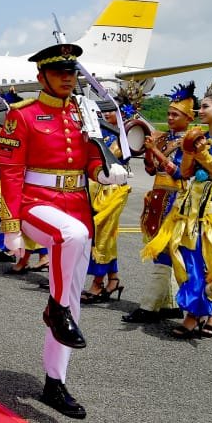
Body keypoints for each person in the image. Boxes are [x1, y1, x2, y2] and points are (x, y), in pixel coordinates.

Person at [0, 43, 128, 419]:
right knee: (71, 239)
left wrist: (102, 171)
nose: (67, 78)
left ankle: (56, 381)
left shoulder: (81, 112)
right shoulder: (22, 115)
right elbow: (10, 170)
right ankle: (56, 309)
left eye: (71, 72)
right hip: (36, 202)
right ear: (42, 77)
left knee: (72, 292)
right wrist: (10, 225)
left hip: (76, 205)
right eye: (59, 72)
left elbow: (86, 158)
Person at [145, 71, 212, 338]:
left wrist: (203, 153)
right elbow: (185, 173)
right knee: (188, 261)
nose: (200, 110)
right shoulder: (197, 137)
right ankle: (196, 313)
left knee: (210, 263)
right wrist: (187, 151)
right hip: (191, 205)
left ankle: (208, 312)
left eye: (206, 106)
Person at [123, 83, 194, 324]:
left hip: (176, 201)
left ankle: (149, 306)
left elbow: (179, 174)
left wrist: (157, 151)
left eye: (175, 114)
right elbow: (152, 169)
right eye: (168, 114)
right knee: (162, 251)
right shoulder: (163, 138)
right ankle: (171, 303)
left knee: (164, 252)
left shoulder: (191, 142)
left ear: (189, 117)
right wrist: (150, 151)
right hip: (157, 198)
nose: (170, 118)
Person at [80, 109, 130, 304]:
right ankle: (113, 279)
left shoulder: (125, 136)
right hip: (98, 188)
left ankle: (97, 283)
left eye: (110, 110)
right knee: (104, 236)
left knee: (102, 235)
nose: (104, 114)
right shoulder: (102, 132)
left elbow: (108, 158)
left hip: (114, 191)